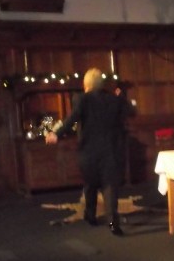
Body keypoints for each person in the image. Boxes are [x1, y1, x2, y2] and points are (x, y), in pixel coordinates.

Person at [45, 68, 132, 236]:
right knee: (110, 186)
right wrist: (122, 97)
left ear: (86, 84)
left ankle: (90, 215)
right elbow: (130, 113)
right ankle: (113, 222)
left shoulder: (82, 99)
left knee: (90, 184)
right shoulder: (114, 100)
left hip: (89, 151)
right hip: (111, 150)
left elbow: (72, 118)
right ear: (102, 84)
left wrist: (56, 134)